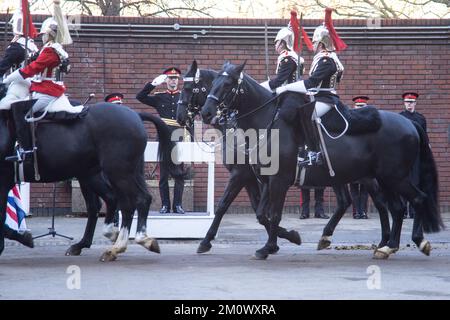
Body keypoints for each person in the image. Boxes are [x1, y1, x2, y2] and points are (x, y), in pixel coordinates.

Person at [3, 0, 79, 163]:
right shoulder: (53, 48)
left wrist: (9, 78)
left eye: (44, 34)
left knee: (19, 110)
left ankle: (27, 150)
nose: (42, 36)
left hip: (48, 90)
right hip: (43, 87)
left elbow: (33, 69)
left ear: (49, 34)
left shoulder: (51, 50)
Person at [275, 8, 347, 164]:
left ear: (322, 43)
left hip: (326, 98)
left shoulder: (326, 60)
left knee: (306, 114)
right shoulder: (324, 58)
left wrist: (287, 87)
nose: (312, 44)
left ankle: (315, 152)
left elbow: (311, 83)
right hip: (319, 95)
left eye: (315, 41)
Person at [136, 67, 187, 214]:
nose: (173, 81)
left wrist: (190, 138)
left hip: (179, 136)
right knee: (163, 174)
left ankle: (178, 205)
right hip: (164, 137)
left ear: (178, 80)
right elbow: (140, 97)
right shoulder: (160, 97)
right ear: (166, 81)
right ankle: (165, 205)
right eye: (170, 78)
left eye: (175, 78)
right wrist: (152, 85)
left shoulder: (183, 97)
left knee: (179, 174)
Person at [0, 7, 39, 109]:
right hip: (34, 83)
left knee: (2, 107)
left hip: (19, 83)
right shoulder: (32, 45)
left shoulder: (16, 47)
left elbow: (3, 67)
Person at [399, 92, 427, 219]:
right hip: (403, 154)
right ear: (404, 103)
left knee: (415, 181)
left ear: (415, 103)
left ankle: (414, 210)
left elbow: (425, 137)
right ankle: (403, 210)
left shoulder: (421, 118)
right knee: (403, 181)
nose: (409, 104)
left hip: (416, 153)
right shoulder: (400, 117)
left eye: (411, 102)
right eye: (407, 102)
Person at [349, 96, 370, 219]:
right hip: (353, 158)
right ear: (354, 107)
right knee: (354, 187)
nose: (360, 108)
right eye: (358, 106)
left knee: (366, 187)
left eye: (362, 106)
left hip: (366, 158)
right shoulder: (350, 121)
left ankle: (364, 212)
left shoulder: (369, 122)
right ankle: (356, 211)